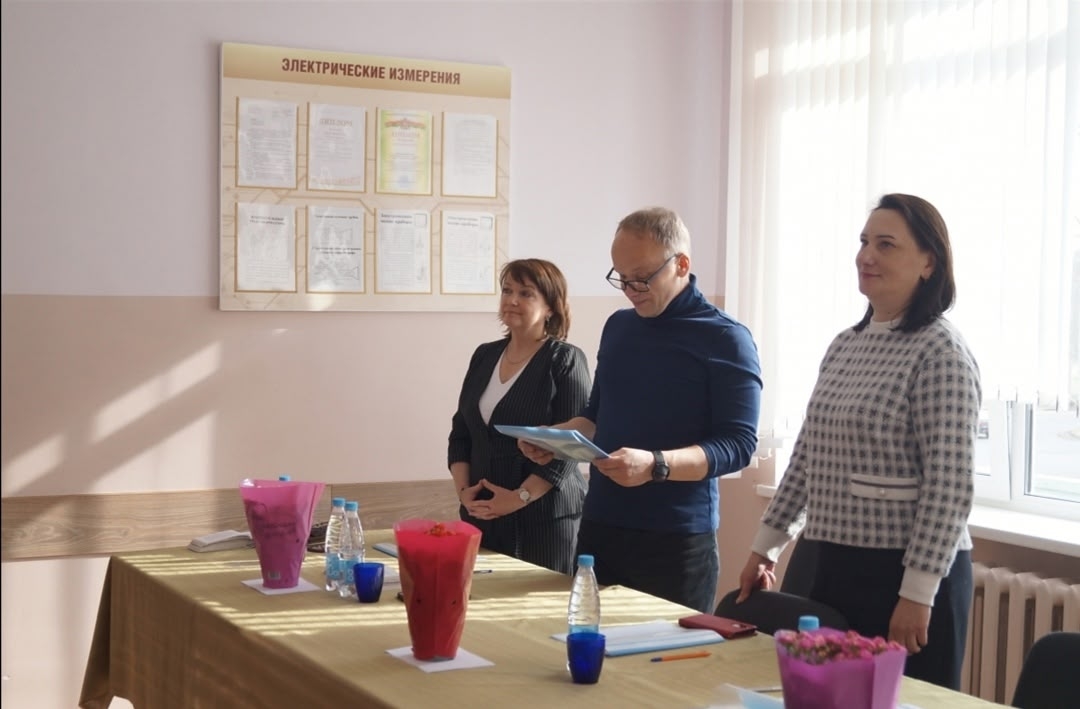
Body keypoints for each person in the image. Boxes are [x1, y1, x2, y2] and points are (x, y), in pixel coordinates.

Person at [736, 193, 981, 690]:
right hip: (831, 560)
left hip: (906, 574)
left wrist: (917, 593)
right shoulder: (845, 344)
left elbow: (949, 486)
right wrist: (765, 548)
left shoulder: (941, 352)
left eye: (886, 244)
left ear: (929, 263)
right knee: (824, 696)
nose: (866, 255)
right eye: (864, 241)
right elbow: (807, 458)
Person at [519, 207, 762, 613]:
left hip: (676, 541)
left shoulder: (726, 338)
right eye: (621, 277)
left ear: (681, 265)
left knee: (666, 652)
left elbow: (737, 446)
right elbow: (596, 416)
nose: (631, 289)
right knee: (587, 642)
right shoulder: (619, 326)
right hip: (600, 527)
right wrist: (556, 439)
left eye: (642, 277)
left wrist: (656, 465)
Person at [448, 258, 591, 574]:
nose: (512, 300)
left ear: (550, 307)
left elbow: (571, 447)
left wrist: (518, 497)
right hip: (482, 514)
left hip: (544, 519)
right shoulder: (484, 355)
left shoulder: (565, 360)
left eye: (526, 293)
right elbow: (461, 433)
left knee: (538, 605)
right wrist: (464, 493)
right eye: (507, 290)